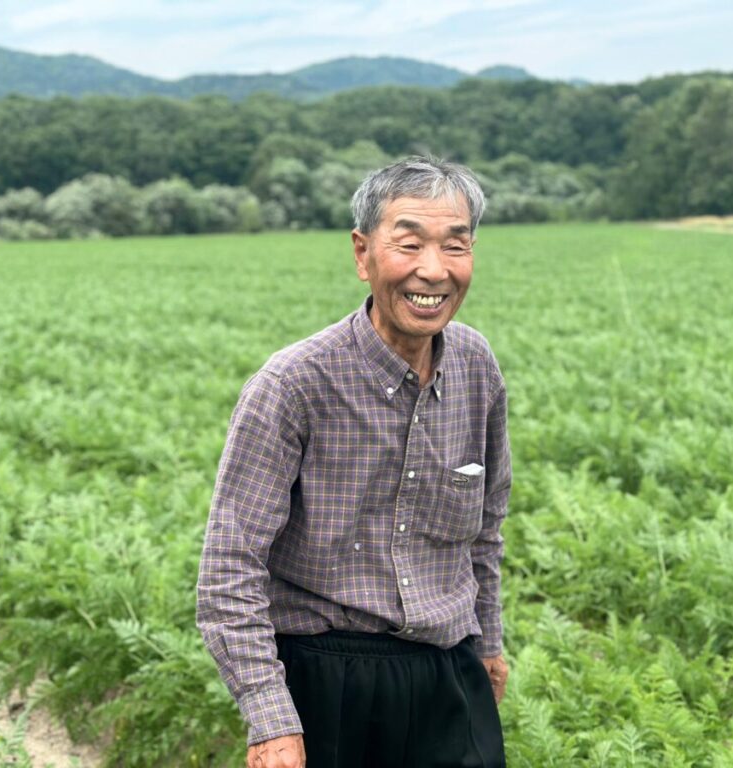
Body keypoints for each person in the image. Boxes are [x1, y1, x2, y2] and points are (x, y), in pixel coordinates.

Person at [196, 156, 511, 768]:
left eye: (456, 245)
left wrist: (488, 641)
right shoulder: (293, 384)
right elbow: (230, 567)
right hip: (325, 680)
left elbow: (486, 529)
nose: (433, 269)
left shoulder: (476, 365)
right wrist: (269, 718)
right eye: (409, 243)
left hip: (449, 671)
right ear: (363, 254)